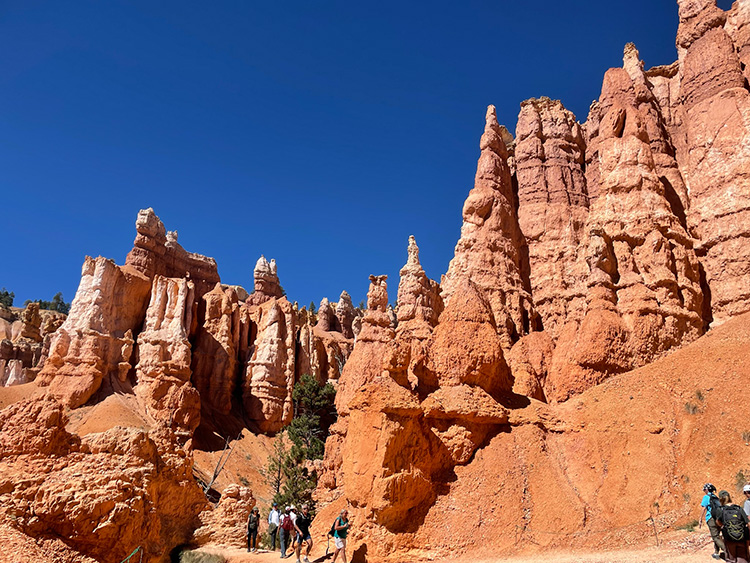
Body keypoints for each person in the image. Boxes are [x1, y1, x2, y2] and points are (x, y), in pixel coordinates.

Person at [716, 490, 750, 563]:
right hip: (741, 537)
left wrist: (723, 525)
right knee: (743, 558)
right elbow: (748, 523)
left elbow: (718, 522)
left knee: (731, 559)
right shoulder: (738, 508)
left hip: (729, 538)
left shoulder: (721, 509)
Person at [700, 483, 726, 560]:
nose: (704, 491)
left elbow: (703, 508)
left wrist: (700, 519)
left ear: (707, 489)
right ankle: (716, 553)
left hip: (710, 518)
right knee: (717, 535)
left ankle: (727, 550)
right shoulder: (716, 497)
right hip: (718, 518)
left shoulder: (706, 497)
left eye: (704, 489)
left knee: (715, 537)